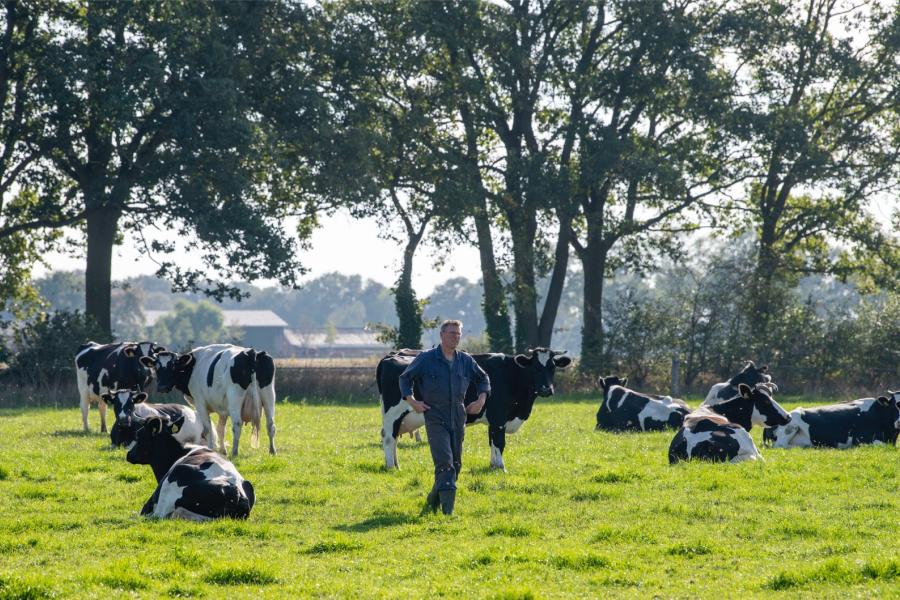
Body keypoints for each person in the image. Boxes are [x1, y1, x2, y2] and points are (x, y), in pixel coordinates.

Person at [398, 319, 490, 515]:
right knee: (445, 463)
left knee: (456, 465)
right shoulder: (427, 358)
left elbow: (483, 378)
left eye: (458, 334)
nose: (455, 337)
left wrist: (481, 399)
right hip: (435, 414)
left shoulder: (465, 360)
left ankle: (433, 500)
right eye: (451, 333)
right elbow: (405, 378)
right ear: (441, 335)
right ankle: (448, 514)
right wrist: (412, 401)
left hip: (458, 415)